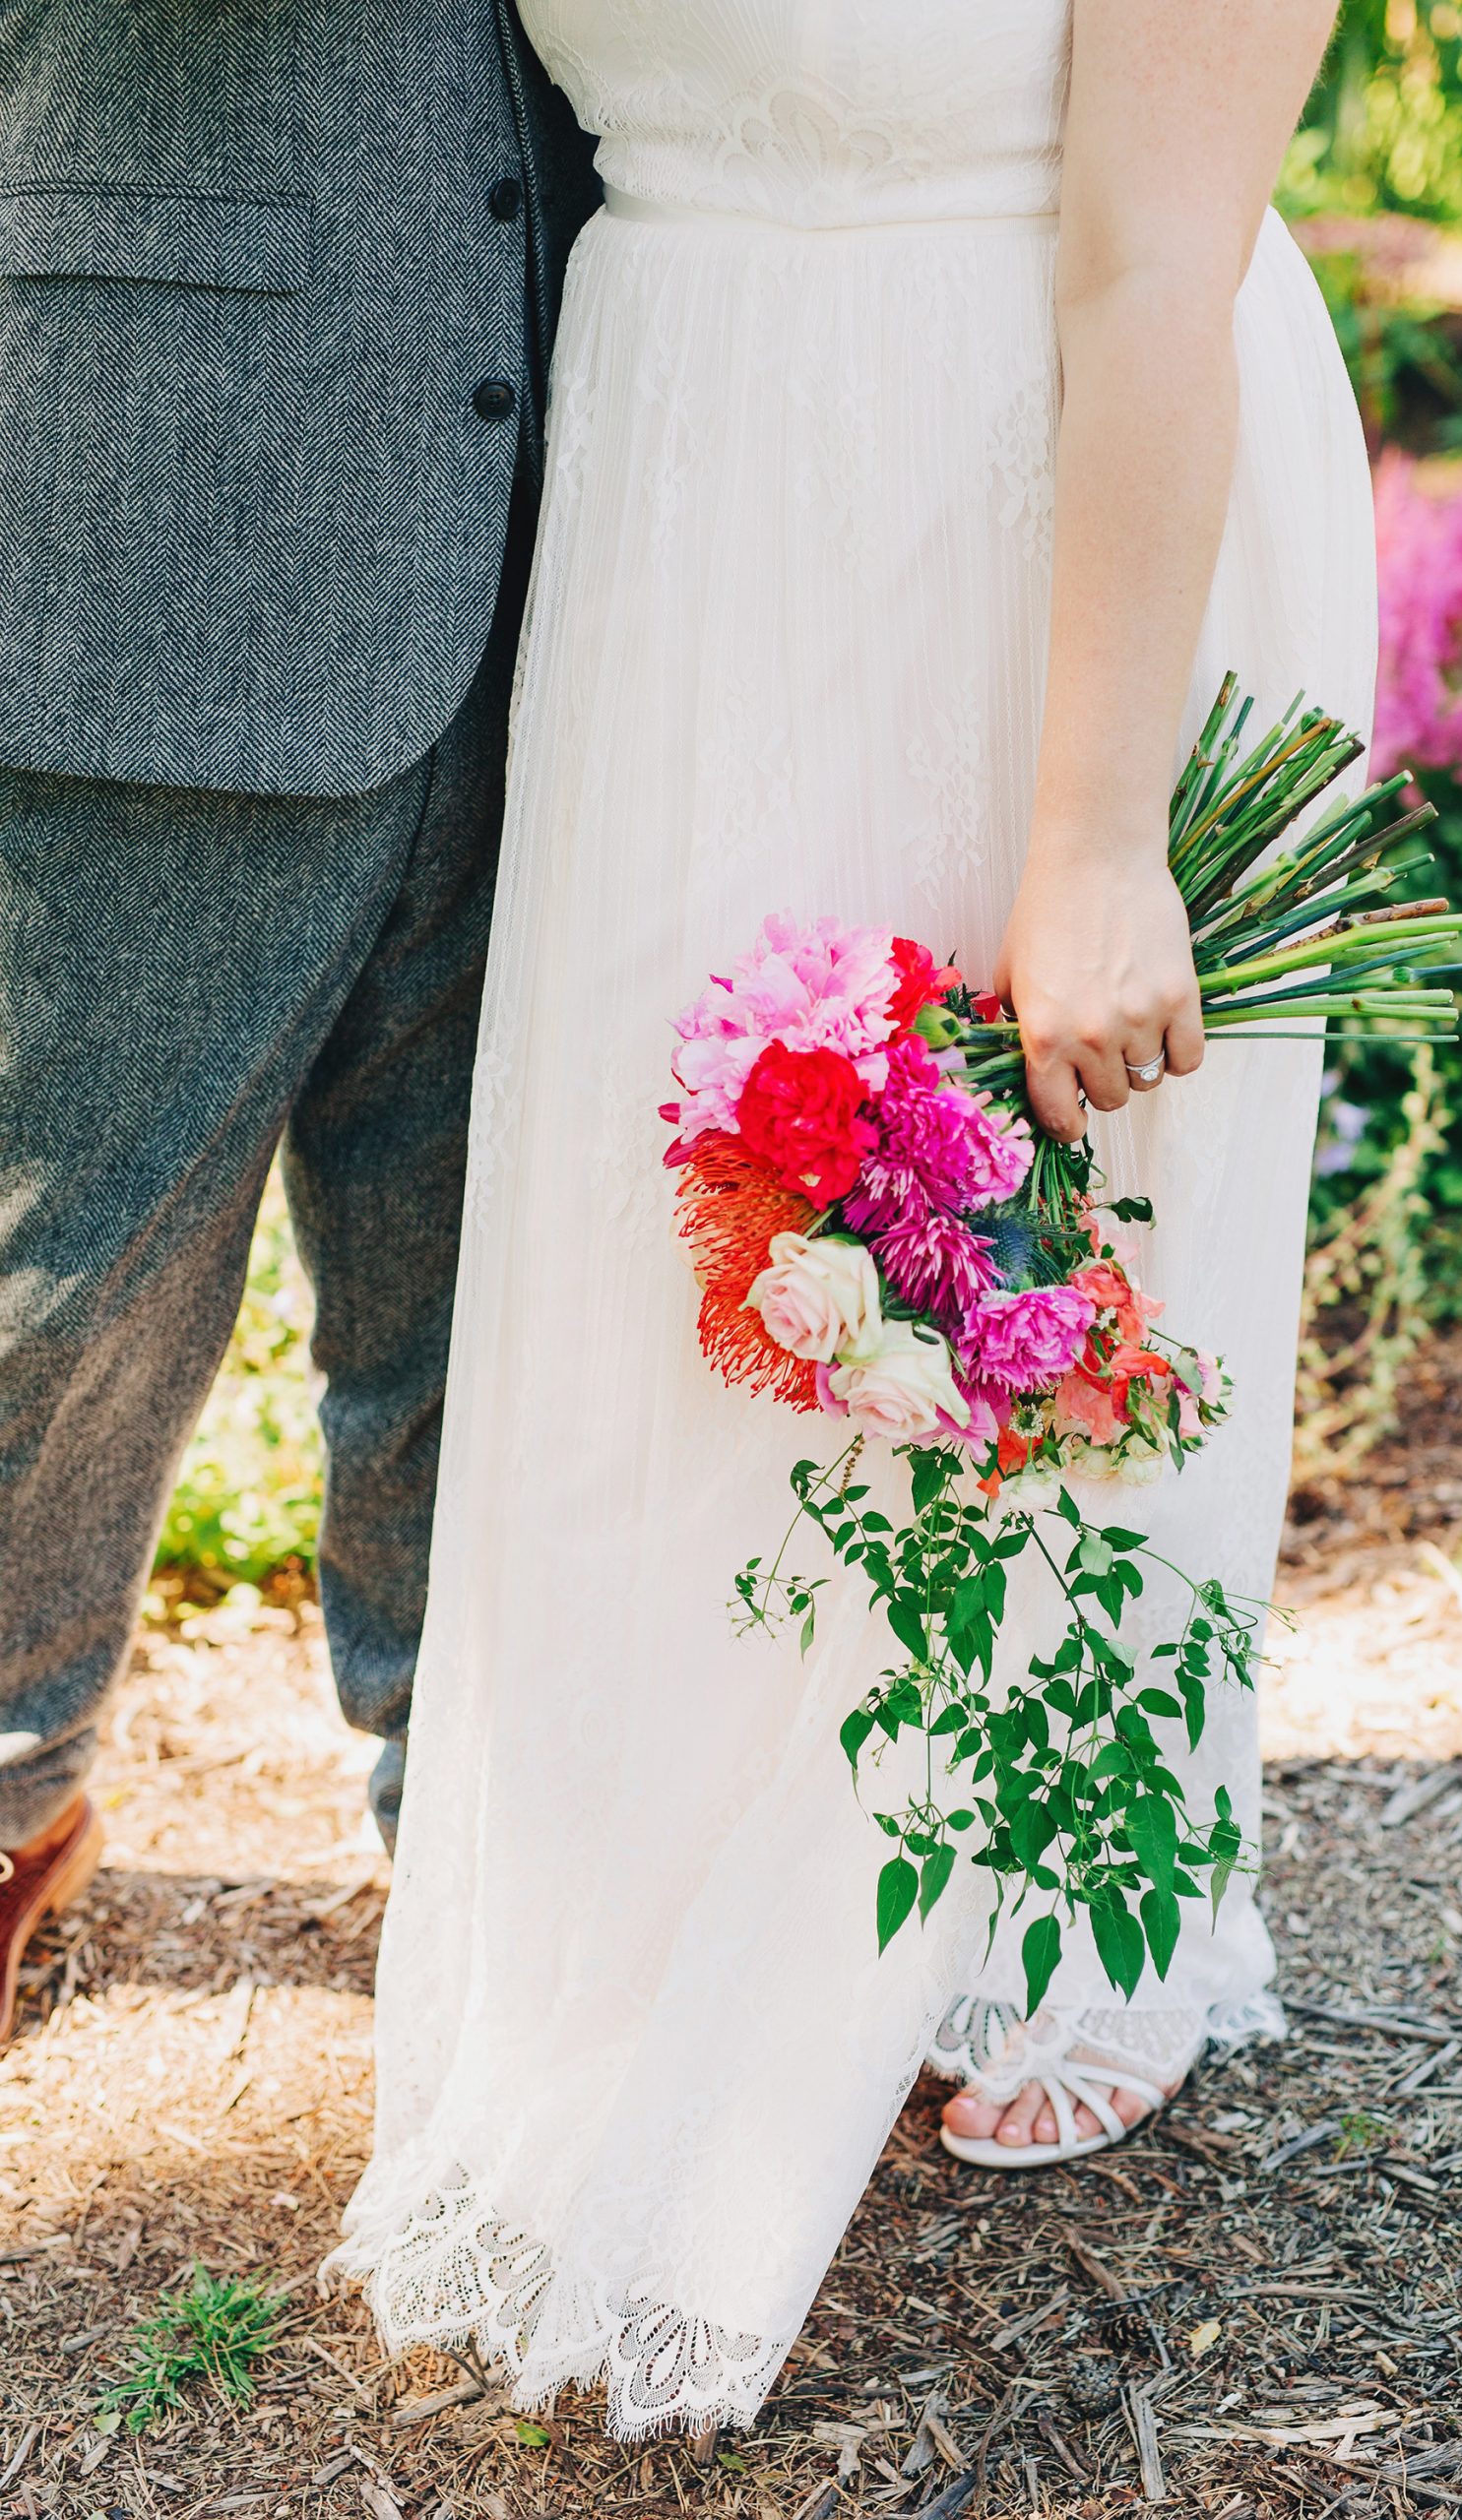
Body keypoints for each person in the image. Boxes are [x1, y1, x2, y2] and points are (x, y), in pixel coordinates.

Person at [334, 0, 1377, 2440]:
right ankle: (651, 1897)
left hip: (1050, 485)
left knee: (1032, 1233)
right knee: (683, 1224)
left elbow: (1156, 262)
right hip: (688, 462)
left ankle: (1053, 1915)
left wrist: (1096, 832)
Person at [0, 0, 601, 2045]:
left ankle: (478, 1822)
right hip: (162, 475)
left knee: (499, 1260)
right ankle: (6, 1779)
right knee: (62, 1270)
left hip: (592, 475)